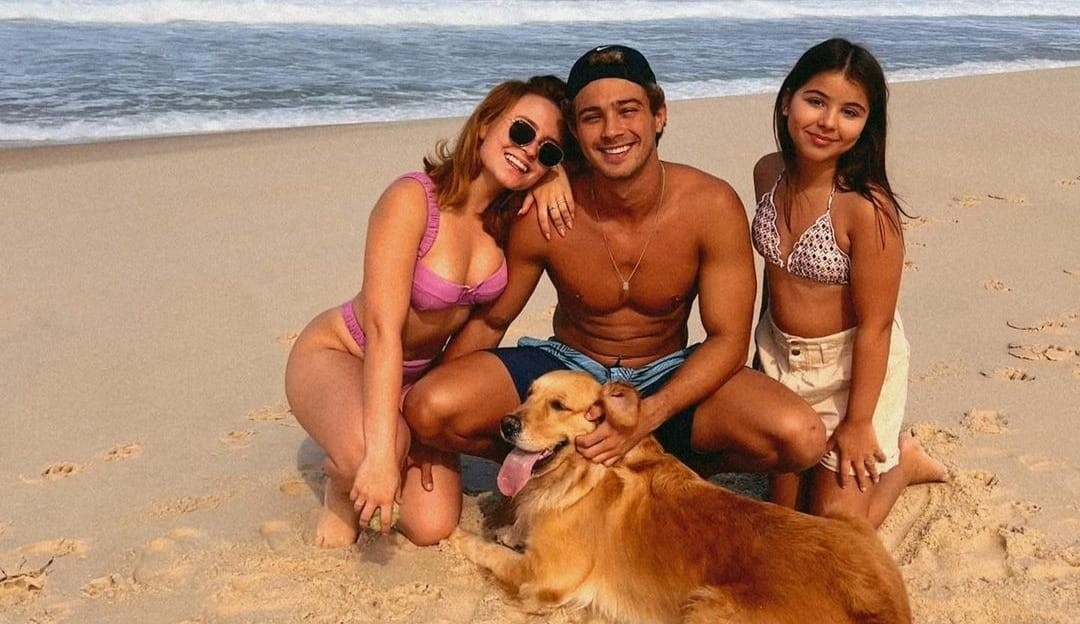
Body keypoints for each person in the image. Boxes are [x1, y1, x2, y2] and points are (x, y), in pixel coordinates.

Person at [404, 45, 825, 480]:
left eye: (628, 111)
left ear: (658, 115)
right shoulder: (548, 213)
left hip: (666, 373)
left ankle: (661, 467)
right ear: (574, 130)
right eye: (591, 117)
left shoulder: (710, 206)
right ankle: (556, 464)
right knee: (430, 408)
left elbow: (728, 341)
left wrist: (649, 415)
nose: (611, 130)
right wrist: (420, 425)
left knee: (801, 436)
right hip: (567, 367)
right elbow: (493, 323)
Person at [284, 75, 570, 547]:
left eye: (548, 151)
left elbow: (484, 329)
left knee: (430, 526)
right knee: (375, 457)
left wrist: (555, 177)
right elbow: (382, 331)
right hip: (344, 352)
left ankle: (375, 441)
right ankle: (341, 480)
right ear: (485, 124)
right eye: (521, 132)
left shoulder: (509, 223)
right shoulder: (414, 199)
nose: (528, 151)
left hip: (417, 378)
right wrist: (380, 457)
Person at [750, 38, 948, 526]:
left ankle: (903, 466)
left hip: (852, 367)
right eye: (815, 101)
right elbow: (774, 278)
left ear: (867, 125)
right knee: (783, 515)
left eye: (850, 111)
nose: (827, 122)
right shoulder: (768, 172)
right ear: (786, 99)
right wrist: (759, 355)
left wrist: (858, 422)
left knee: (836, 524)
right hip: (783, 356)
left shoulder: (867, 208)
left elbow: (877, 327)